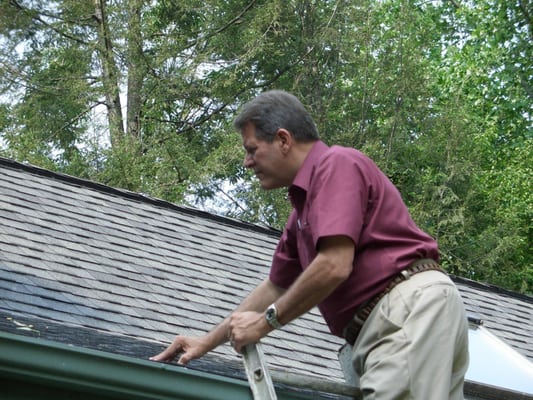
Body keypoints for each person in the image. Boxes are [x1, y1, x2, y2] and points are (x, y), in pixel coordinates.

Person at [150, 90, 469, 400]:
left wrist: (265, 324)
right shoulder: (302, 214)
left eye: (252, 149)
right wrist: (206, 342)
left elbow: (334, 265)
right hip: (403, 318)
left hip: (404, 310)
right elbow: (275, 287)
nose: (247, 162)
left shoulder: (337, 164)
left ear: (283, 140)